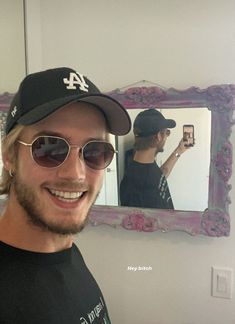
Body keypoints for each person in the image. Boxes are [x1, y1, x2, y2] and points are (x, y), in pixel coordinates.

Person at [0, 67, 131, 324]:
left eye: (95, 151)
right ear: (9, 157)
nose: (76, 174)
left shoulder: (67, 250)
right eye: (49, 147)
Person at [120, 108, 191, 209]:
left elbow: (161, 175)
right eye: (167, 132)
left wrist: (179, 150)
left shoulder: (144, 166)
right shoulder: (136, 186)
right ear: (158, 136)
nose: (167, 137)